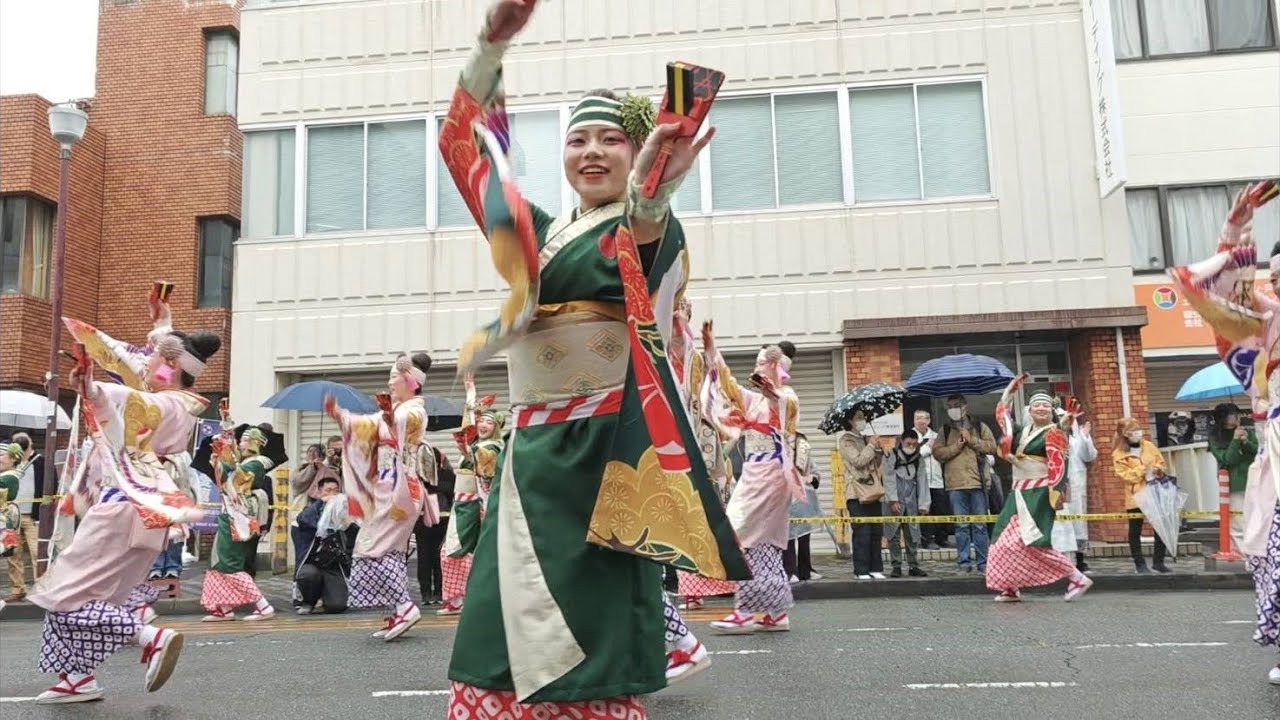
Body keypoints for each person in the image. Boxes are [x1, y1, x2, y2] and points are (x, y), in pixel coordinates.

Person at [438, 2, 748, 712]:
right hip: (529, 460)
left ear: (636, 152)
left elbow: (643, 230)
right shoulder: (539, 236)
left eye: (612, 139)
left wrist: (656, 187)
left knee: (590, 642)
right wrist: (490, 47)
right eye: (578, 139)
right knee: (496, 636)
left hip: (603, 459)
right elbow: (463, 151)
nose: (593, 152)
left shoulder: (646, 231)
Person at [29, 295, 217, 703]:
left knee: (66, 593)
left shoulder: (166, 405)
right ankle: (77, 677)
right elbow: (145, 376)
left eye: (154, 360)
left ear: (170, 367)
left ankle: (149, 636)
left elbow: (135, 403)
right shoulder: (178, 400)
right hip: (145, 511)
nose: (146, 364)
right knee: (97, 597)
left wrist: (92, 388)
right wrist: (164, 322)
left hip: (123, 507)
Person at [325, 353, 432, 642]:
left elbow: (399, 422)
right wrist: (340, 415)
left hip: (399, 489)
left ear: (411, 382)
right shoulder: (396, 411)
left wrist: (389, 417)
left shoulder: (414, 411)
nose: (390, 382)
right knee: (387, 550)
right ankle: (400, 608)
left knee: (373, 547)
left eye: (394, 377)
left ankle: (405, 607)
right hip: (390, 487)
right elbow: (364, 425)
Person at [704, 333, 800, 633]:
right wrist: (712, 352)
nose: (757, 367)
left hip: (772, 474)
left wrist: (772, 393)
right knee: (763, 543)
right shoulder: (753, 399)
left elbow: (782, 404)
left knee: (741, 532)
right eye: (757, 363)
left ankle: (744, 611)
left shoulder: (787, 396)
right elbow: (730, 385)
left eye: (762, 363)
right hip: (755, 473)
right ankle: (776, 613)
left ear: (776, 367)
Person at [986, 376, 1093, 603]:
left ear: (1052, 410)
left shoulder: (1054, 432)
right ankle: (1010, 586)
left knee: (1033, 541)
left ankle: (1076, 577)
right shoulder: (1022, 431)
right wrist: (1010, 391)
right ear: (1030, 410)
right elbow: (1002, 416)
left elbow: (1058, 463)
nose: (1041, 408)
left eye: (1045, 405)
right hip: (1018, 492)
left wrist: (1057, 492)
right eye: (1037, 405)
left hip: (1039, 492)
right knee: (1001, 539)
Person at [671, 301, 737, 607]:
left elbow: (718, 378)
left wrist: (710, 349)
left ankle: (720, 581)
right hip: (674, 442)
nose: (676, 327)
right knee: (682, 519)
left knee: (709, 516)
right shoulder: (660, 356)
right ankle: (691, 589)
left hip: (703, 441)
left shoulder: (696, 359)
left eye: (681, 320)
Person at [439, 373, 504, 616]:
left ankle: (460, 597)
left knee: (455, 549)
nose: (483, 425)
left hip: (473, 503)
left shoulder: (491, 447)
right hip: (465, 501)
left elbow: (483, 472)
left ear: (497, 427)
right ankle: (459, 597)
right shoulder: (478, 446)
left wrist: (471, 393)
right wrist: (470, 393)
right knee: (457, 550)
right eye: (481, 421)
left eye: (489, 422)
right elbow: (469, 423)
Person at [933, 395, 997, 573]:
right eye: (950, 406)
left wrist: (972, 440)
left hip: (978, 483)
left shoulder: (980, 427)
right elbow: (938, 453)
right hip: (955, 485)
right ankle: (964, 561)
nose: (953, 409)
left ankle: (983, 562)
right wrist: (958, 446)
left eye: (956, 405)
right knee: (961, 526)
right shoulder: (945, 430)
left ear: (965, 407)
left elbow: (992, 447)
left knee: (980, 525)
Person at [1112, 418, 1170, 574]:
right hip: (1135, 495)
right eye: (1133, 430)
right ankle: (1140, 564)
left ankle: (1159, 562)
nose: (1138, 433)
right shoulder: (1119, 454)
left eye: (1138, 429)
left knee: (1160, 528)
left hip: (1154, 491)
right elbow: (1125, 476)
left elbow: (1161, 462)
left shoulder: (1149, 446)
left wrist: (1158, 470)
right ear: (1125, 434)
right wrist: (1142, 469)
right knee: (1135, 530)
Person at [838, 409, 887, 580]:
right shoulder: (846, 440)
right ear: (850, 421)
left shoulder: (865, 438)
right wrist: (871, 446)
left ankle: (876, 568)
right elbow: (858, 461)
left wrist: (878, 450)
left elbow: (874, 464)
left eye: (863, 417)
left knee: (876, 531)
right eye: (858, 417)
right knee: (862, 532)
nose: (862, 420)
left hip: (873, 489)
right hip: (856, 493)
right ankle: (861, 570)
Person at [293, 476, 352, 614]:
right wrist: (322, 504)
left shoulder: (342, 512)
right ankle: (309, 601)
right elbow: (303, 520)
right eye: (328, 490)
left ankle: (327, 594)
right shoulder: (311, 510)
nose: (332, 494)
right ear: (319, 492)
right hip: (312, 563)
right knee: (307, 575)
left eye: (336, 491)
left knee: (337, 606)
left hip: (333, 564)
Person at [1049, 409, 1097, 572]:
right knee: (1060, 524)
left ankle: (1080, 559)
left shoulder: (1076, 439)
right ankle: (1060, 560)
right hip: (1058, 486)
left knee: (1078, 523)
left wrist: (1085, 436)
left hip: (1075, 487)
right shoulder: (1052, 439)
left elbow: (1089, 456)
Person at [1209, 403, 1257, 554]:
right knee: (1238, 522)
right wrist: (1235, 441)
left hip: (1253, 480)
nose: (1237, 417)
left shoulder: (1247, 432)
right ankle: (1242, 554)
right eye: (1232, 414)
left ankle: (1255, 553)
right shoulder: (1215, 438)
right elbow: (1227, 460)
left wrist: (1245, 442)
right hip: (1234, 484)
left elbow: (1257, 453)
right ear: (1222, 418)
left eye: (1237, 413)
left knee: (1255, 520)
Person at [883, 430, 930, 578]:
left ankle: (913, 565)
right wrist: (893, 500)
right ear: (901, 441)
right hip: (894, 501)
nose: (911, 447)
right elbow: (888, 478)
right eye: (908, 443)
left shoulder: (918, 459)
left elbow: (922, 481)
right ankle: (896, 566)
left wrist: (923, 504)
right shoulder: (891, 455)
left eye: (914, 444)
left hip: (911, 501)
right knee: (893, 535)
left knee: (913, 535)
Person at [415, 445, 454, 606]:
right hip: (424, 521)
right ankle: (427, 593)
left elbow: (452, 493)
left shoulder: (445, 475)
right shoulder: (417, 476)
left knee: (437, 558)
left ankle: (437, 591)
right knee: (425, 558)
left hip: (441, 520)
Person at [6, 432, 42, 599]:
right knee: (13, 554)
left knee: (37, 553)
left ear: (30, 442)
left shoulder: (40, 462)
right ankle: (17, 589)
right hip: (13, 516)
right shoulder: (11, 463)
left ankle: (41, 588)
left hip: (33, 516)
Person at [786, 432, 824, 583]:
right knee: (788, 536)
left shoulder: (806, 454)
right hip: (786, 499)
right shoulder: (780, 452)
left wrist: (812, 478)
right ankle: (789, 571)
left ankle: (805, 570)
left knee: (804, 536)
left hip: (804, 501)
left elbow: (816, 473)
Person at [913, 411, 950, 549]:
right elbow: (911, 456)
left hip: (937, 480)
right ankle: (927, 539)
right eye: (918, 418)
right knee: (925, 511)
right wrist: (927, 448)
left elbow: (944, 455)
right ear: (914, 420)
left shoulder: (936, 436)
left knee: (941, 509)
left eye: (924, 418)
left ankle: (942, 538)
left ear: (929, 421)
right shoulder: (909, 436)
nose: (921, 421)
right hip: (920, 481)